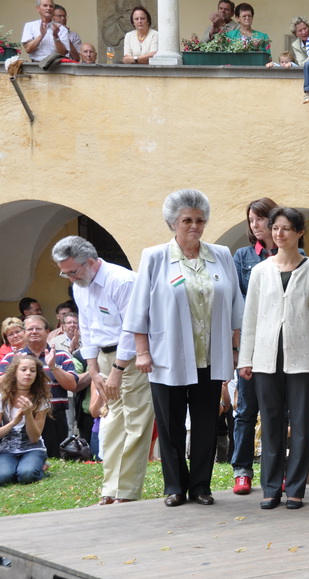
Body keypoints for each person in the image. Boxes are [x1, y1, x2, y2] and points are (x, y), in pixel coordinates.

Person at [123, 189, 243, 508]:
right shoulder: (155, 257)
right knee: (170, 424)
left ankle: (201, 486)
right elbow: (138, 309)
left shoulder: (221, 255)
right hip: (167, 356)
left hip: (210, 355)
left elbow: (235, 306)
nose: (194, 226)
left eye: (200, 220)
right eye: (187, 220)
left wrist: (235, 350)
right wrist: (142, 352)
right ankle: (175, 486)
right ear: (173, 223)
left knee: (206, 424)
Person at [51, 236, 155, 505]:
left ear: (91, 261)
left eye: (73, 271)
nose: (70, 278)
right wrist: (94, 371)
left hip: (132, 359)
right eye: (65, 273)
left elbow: (133, 328)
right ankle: (110, 489)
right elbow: (87, 329)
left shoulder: (121, 281)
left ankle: (127, 491)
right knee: (111, 424)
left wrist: (117, 370)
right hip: (103, 359)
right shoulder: (80, 286)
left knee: (135, 424)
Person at [239, 207, 309, 510]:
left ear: (299, 232)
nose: (279, 234)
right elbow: (250, 318)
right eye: (275, 228)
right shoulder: (260, 272)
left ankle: (295, 489)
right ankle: (270, 487)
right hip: (265, 359)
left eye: (286, 228)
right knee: (271, 423)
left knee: (301, 425)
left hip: (303, 360)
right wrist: (246, 359)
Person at [230, 197, 280, 496]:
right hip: (252, 343)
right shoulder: (243, 256)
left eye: (260, 218)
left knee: (278, 411)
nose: (255, 225)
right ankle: (242, 471)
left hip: (281, 342)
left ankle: (276, 471)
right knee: (246, 410)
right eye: (251, 220)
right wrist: (238, 349)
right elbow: (238, 304)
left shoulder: (294, 254)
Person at [0, 315, 78, 459]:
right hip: (20, 418)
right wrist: (14, 368)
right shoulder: (11, 357)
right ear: (24, 332)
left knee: (55, 459)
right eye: (30, 329)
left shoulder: (61, 355)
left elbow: (72, 385)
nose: (34, 332)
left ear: (48, 331)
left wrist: (53, 366)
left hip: (54, 416)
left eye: (38, 328)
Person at [0, 356, 51, 486]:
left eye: (32, 370)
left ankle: (38, 466)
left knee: (27, 475)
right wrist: (13, 422)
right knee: (3, 477)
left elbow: (34, 437)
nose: (28, 373)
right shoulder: (3, 398)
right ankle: (18, 467)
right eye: (23, 369)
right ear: (15, 372)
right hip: (7, 449)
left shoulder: (41, 399)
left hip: (33, 448)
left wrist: (28, 414)